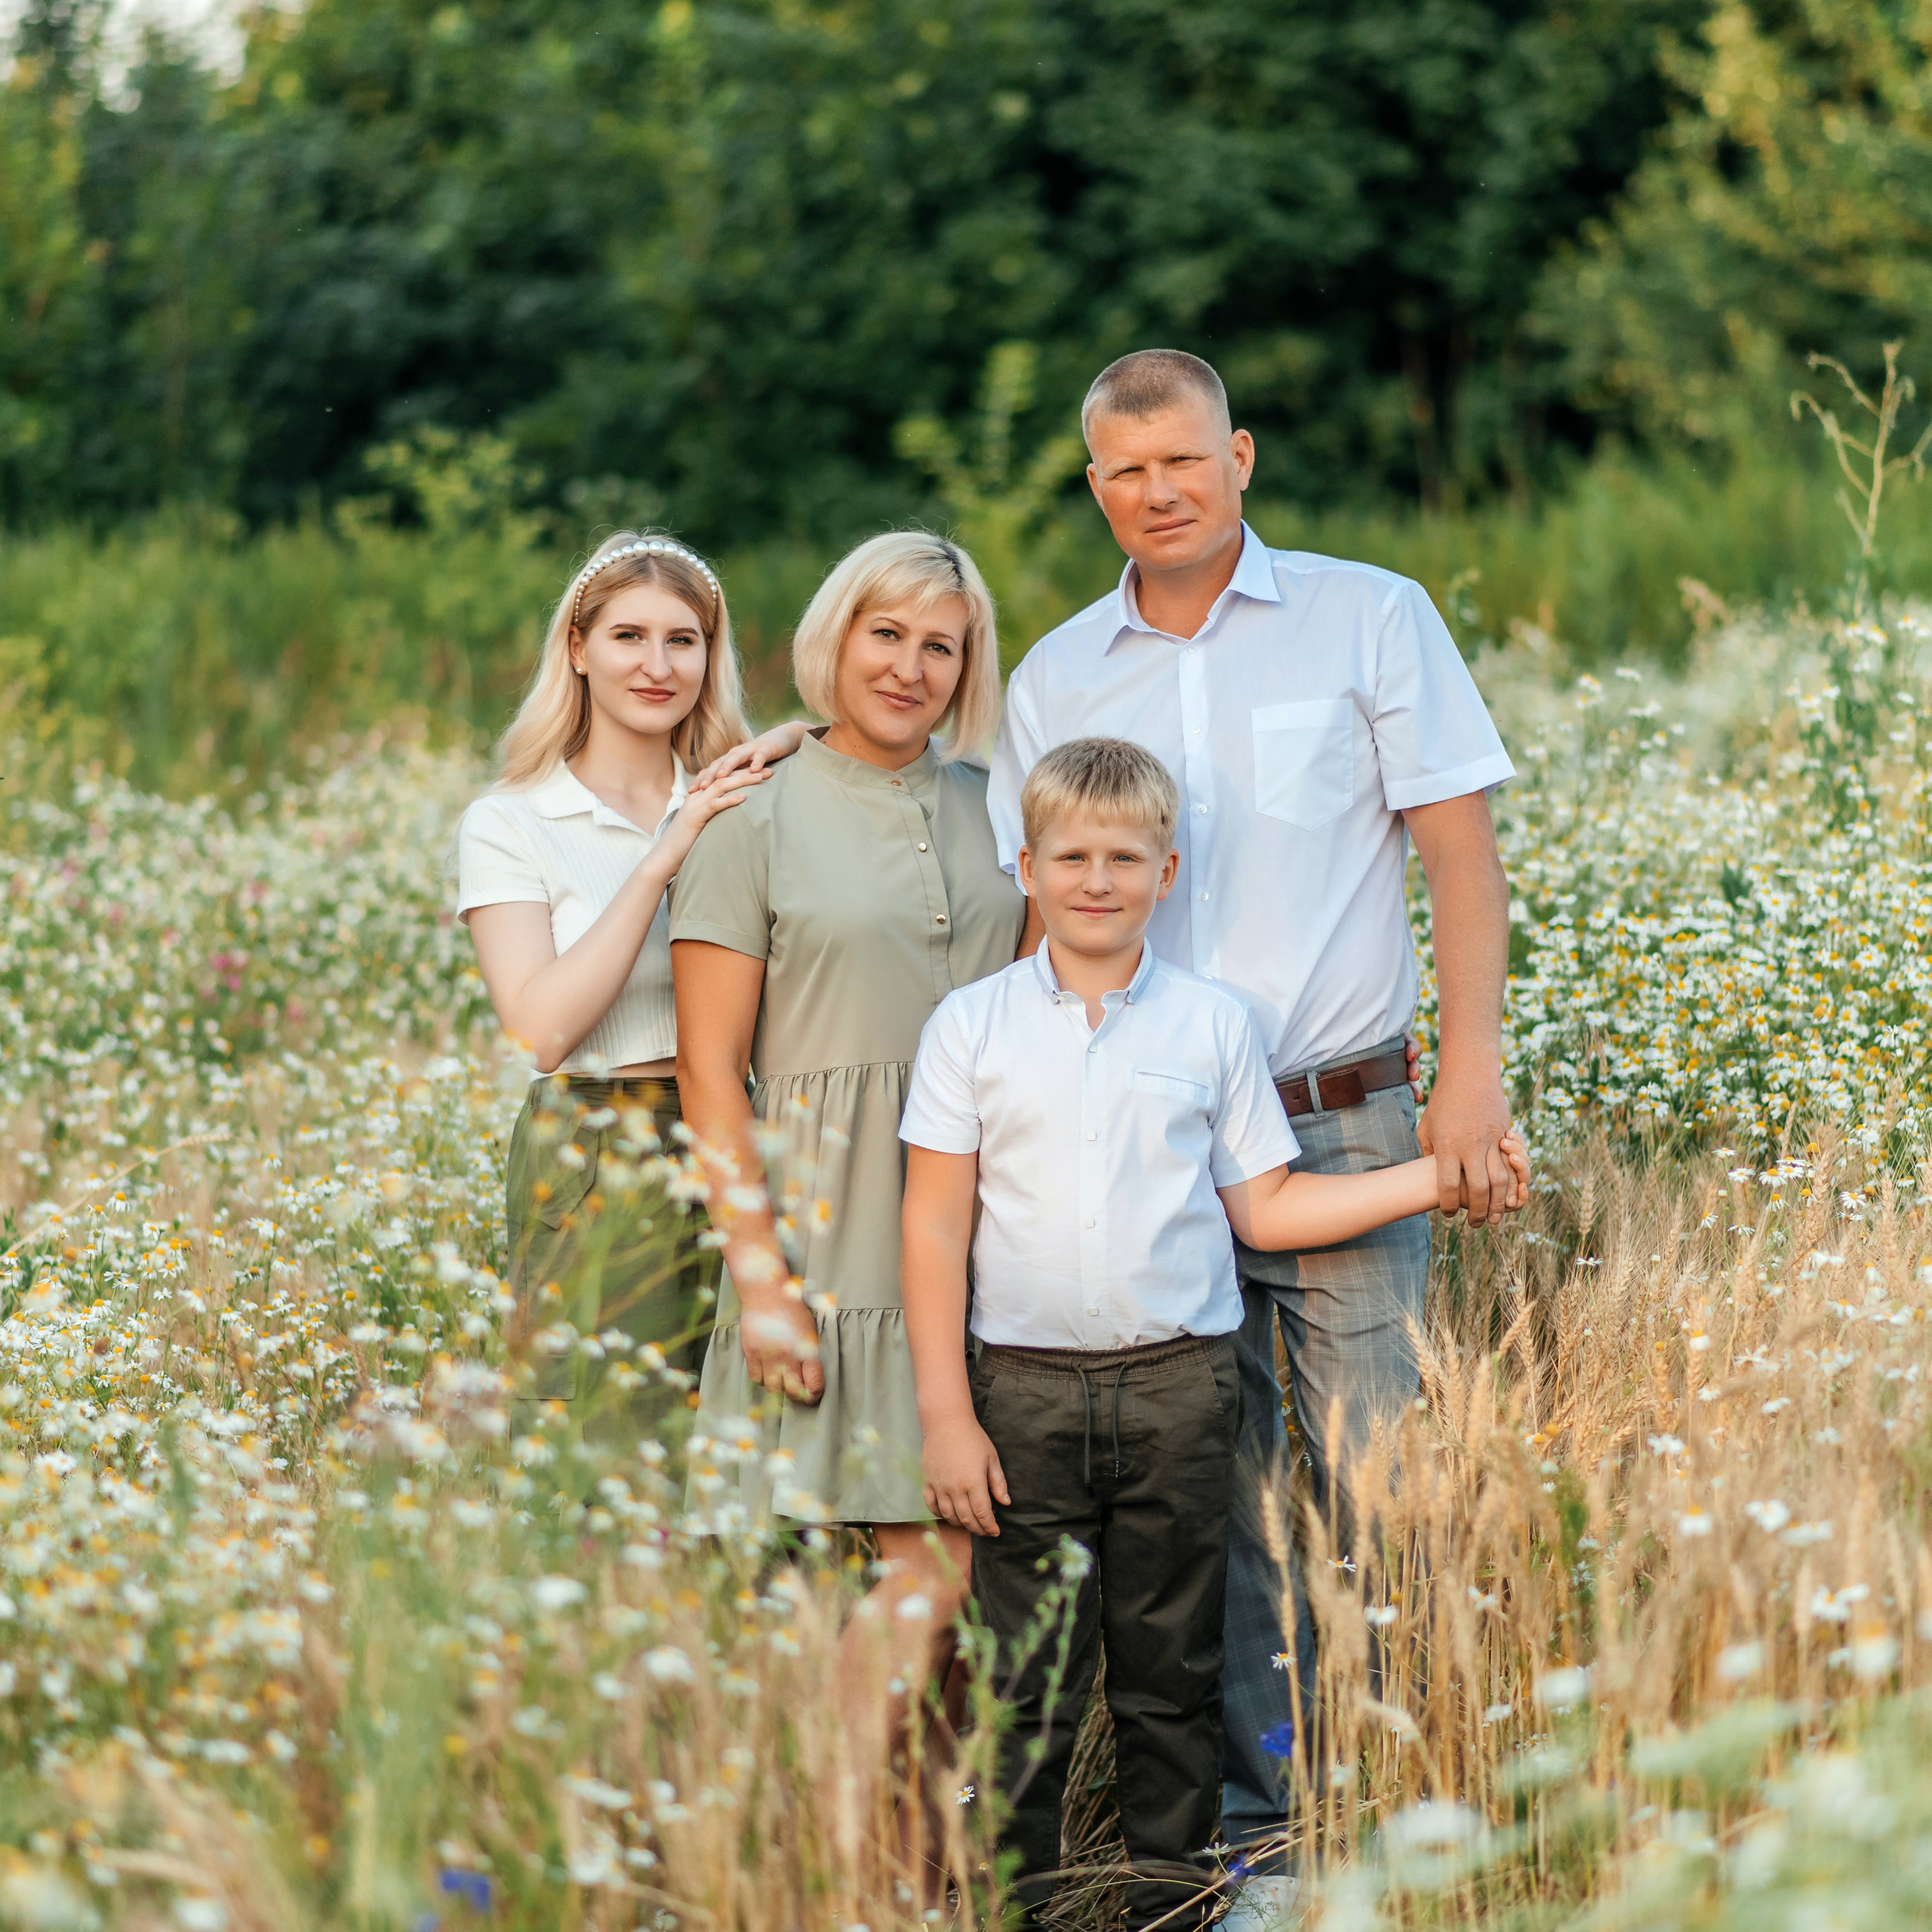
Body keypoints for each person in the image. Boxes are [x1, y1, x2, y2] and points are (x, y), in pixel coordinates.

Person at [986, 350, 1517, 1923]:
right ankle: (1253, 1840)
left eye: (1183, 459)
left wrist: (1467, 1076)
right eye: (1122, 469)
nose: (1157, 489)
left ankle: (1406, 1804)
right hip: (1143, 1142)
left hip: (1344, 1118)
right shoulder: (1057, 675)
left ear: (1240, 455)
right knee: (1206, 1498)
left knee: (1369, 1474)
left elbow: (1458, 859)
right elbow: (1040, 927)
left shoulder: (1370, 615)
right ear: (1093, 487)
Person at [901, 738, 1526, 1932]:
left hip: (1179, 1392)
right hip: (1020, 1394)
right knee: (1027, 1682)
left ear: (1168, 871)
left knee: (1169, 1678)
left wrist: (1431, 1181)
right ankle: (1021, 1908)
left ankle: (1172, 1909)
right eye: (1072, 857)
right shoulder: (969, 1029)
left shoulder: (1211, 1027)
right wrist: (945, 1411)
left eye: (1125, 858)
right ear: (1025, 867)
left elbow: (1271, 1210)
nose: (1098, 880)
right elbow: (934, 1229)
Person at [669, 530, 1023, 1657]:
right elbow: (709, 1071)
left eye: (941, 648)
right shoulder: (752, 817)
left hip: (992, 1239)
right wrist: (762, 1284)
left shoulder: (996, 810)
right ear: (836, 636)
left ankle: (905, 1837)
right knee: (912, 1572)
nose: (909, 670)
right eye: (886, 635)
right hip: (830, 1246)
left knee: (975, 1592)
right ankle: (809, 1830)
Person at [457, 531, 806, 1411]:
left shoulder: (745, 800)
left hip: (748, 1127)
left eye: (682, 640)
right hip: (597, 1135)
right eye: (628, 637)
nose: (658, 664)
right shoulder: (514, 820)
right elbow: (541, 1030)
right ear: (577, 649)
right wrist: (662, 856)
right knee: (611, 1432)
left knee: (758, 1419)